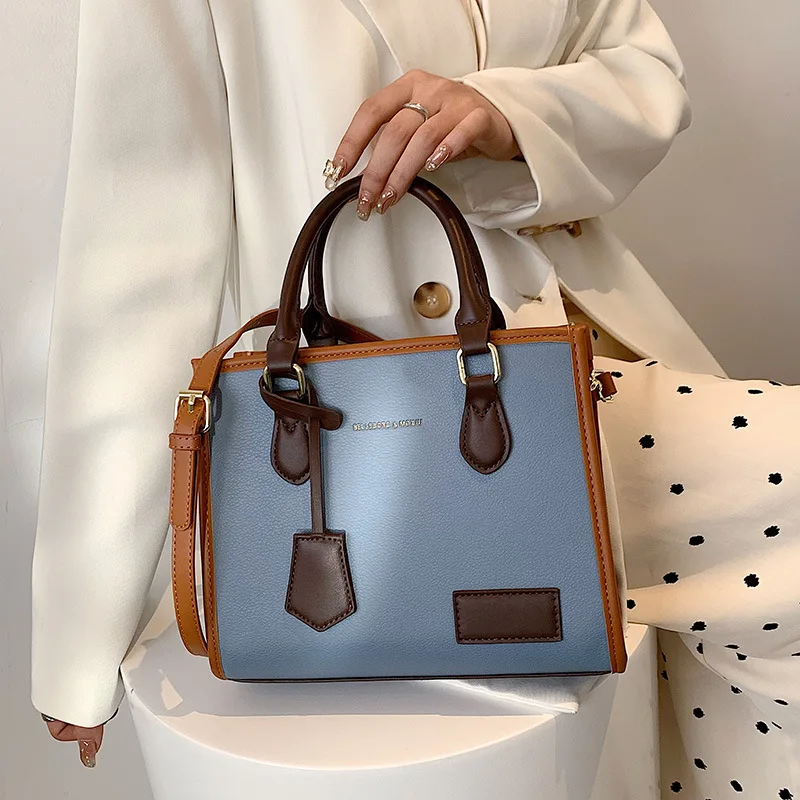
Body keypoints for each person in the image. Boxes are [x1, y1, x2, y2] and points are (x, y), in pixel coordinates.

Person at [32, 0, 799, 797]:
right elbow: (137, 255)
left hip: (583, 354)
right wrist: (83, 629)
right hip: (383, 434)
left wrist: (509, 115)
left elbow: (644, 75)